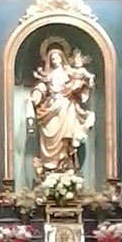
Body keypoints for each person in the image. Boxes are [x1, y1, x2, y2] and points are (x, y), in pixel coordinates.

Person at [29, 48, 95, 178]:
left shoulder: (68, 71)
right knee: (49, 131)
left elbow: (80, 80)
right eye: (52, 59)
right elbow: (42, 86)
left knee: (66, 136)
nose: (55, 61)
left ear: (62, 58)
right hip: (51, 107)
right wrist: (37, 93)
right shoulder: (49, 75)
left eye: (57, 58)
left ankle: (66, 165)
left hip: (65, 105)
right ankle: (49, 168)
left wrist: (81, 85)